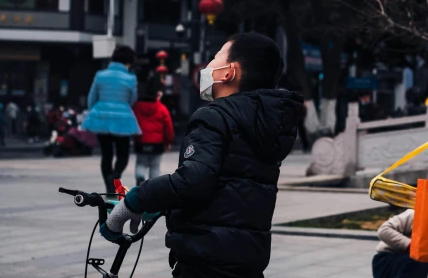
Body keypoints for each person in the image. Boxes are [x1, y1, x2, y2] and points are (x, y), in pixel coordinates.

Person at [100, 32, 303, 278]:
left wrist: (133, 201)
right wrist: (162, 204)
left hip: (205, 260)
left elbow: (193, 180)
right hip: (245, 260)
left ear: (229, 72)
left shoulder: (215, 116)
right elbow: (227, 185)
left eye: (216, 58)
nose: (207, 66)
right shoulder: (265, 125)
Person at [82, 45, 140, 194]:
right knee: (123, 154)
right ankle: (115, 176)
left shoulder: (100, 75)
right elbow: (132, 100)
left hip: (101, 118)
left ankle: (108, 186)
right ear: (129, 61)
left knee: (106, 154)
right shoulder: (131, 78)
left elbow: (92, 97)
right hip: (122, 120)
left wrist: (95, 113)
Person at [133, 74, 175, 185]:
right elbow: (168, 127)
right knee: (155, 166)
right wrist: (168, 142)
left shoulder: (137, 106)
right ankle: (153, 186)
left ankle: (140, 179)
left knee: (141, 163)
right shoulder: (162, 108)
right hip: (157, 143)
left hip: (141, 141)